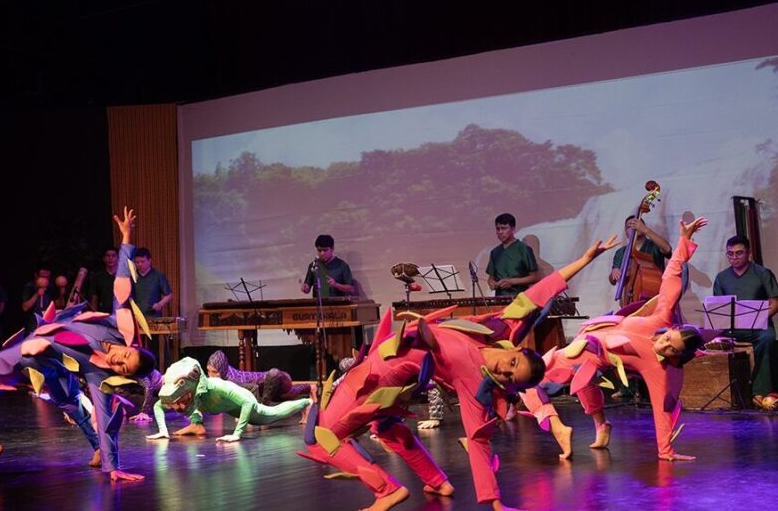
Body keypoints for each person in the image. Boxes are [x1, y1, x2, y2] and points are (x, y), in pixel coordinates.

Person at [299, 234, 618, 511]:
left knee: (318, 437)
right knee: (385, 426)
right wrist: (585, 259)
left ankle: (387, 490)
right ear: (516, 351)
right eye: (511, 364)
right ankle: (437, 481)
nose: (503, 371)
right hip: (386, 365)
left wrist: (495, 502)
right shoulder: (498, 330)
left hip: (379, 375)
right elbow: (539, 293)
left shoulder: (474, 382)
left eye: (509, 379)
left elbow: (478, 442)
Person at [0, 207, 157, 481]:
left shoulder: (100, 375)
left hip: (26, 356)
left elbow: (105, 418)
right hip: (48, 362)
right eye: (126, 356)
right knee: (69, 400)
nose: (118, 361)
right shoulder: (117, 328)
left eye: (123, 368)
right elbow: (122, 286)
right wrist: (126, 238)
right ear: (131, 346)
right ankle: (97, 449)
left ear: (122, 375)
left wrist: (114, 468)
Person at [521, 217, 708, 460]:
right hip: (589, 336)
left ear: (678, 356)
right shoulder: (660, 319)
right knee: (583, 382)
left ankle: (559, 429)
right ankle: (602, 426)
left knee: (528, 379)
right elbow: (671, 278)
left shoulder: (657, 368)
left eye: (672, 349)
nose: (664, 345)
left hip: (587, 352)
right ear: (670, 330)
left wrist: (665, 450)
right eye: (668, 338)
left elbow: (662, 410)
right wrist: (684, 240)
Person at [146, 357, 311, 442]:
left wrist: (236, 434)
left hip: (248, 406)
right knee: (188, 403)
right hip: (229, 408)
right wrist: (163, 431)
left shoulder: (217, 386)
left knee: (273, 414)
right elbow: (159, 406)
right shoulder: (193, 393)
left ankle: (306, 403)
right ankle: (197, 425)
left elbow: (247, 403)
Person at [713, 234, 778, 399]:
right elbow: (718, 308)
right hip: (732, 328)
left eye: (739, 253)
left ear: (749, 253)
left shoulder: (762, 273)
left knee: (768, 338)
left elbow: (774, 303)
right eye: (730, 254)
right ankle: (726, 394)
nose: (734, 257)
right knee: (710, 340)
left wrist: (758, 318)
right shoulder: (722, 277)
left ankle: (761, 392)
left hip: (758, 327)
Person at [206, 350, 312, 404]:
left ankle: (263, 408)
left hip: (279, 378)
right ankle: (311, 388)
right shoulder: (222, 374)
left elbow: (254, 387)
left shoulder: (231, 379)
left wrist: (255, 411)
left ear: (222, 370)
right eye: (208, 371)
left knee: (274, 375)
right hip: (267, 391)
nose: (210, 376)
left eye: (214, 372)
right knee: (288, 395)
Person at [485, 213, 540, 297]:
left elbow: (535, 277)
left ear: (513, 229)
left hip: (520, 298)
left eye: (504, 228)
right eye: (498, 229)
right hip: (500, 299)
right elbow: (491, 277)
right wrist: (492, 283)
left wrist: (512, 281)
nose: (500, 232)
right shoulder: (494, 252)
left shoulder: (523, 249)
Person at [609, 215, 672, 286]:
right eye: (629, 226)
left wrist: (646, 230)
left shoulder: (655, 244)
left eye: (636, 224)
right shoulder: (621, 252)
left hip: (655, 288)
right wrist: (614, 273)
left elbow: (667, 249)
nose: (633, 227)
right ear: (626, 233)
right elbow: (613, 280)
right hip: (630, 292)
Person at [131, 248, 172, 317]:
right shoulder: (132, 277)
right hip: (137, 317)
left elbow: (169, 295)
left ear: (149, 261)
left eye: (142, 261)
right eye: (137, 262)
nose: (140, 264)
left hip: (154, 316)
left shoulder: (158, 275)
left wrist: (160, 304)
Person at [20, 263, 55, 330]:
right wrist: (36, 294)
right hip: (33, 324)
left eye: (47, 277)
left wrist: (61, 293)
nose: (45, 279)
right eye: (42, 276)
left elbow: (58, 305)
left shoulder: (50, 287)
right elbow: (25, 308)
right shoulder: (30, 287)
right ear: (36, 275)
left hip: (47, 323)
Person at [88, 248, 119, 314]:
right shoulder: (97, 277)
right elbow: (94, 297)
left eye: (113, 256)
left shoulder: (123, 277)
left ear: (118, 258)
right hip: (103, 314)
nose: (110, 258)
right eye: (108, 256)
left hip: (120, 313)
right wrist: (94, 315)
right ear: (104, 259)